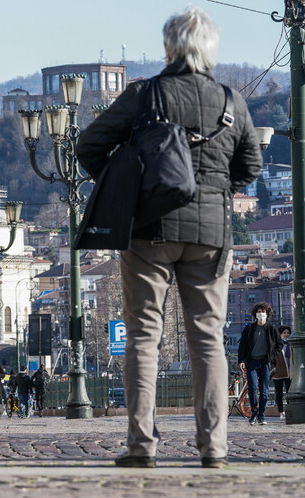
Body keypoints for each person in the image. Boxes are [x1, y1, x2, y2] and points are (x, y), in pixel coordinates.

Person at [76, 8, 262, 469]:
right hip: (211, 234)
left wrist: (128, 187)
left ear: (168, 49)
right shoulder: (230, 102)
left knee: (143, 336)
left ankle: (142, 446)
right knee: (208, 338)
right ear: (211, 51)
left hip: (148, 231)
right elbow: (252, 166)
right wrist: (217, 187)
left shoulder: (144, 96)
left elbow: (88, 147)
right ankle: (214, 447)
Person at [238, 303, 285, 426]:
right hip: (251, 362)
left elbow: (280, 344)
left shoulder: (271, 329)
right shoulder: (249, 329)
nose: (261, 314)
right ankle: (254, 413)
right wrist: (241, 361)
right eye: (259, 311)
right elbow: (242, 346)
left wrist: (272, 356)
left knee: (264, 391)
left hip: (264, 363)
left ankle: (261, 416)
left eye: (263, 312)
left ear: (267, 314)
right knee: (253, 388)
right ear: (255, 314)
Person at [271, 325, 292, 420]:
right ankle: (281, 412)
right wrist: (273, 368)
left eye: (288, 333)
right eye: (284, 333)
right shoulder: (276, 344)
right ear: (280, 334)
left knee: (290, 393)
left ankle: (290, 411)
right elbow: (272, 357)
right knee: (278, 393)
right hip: (278, 371)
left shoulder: (291, 344)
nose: (286, 334)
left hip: (290, 372)